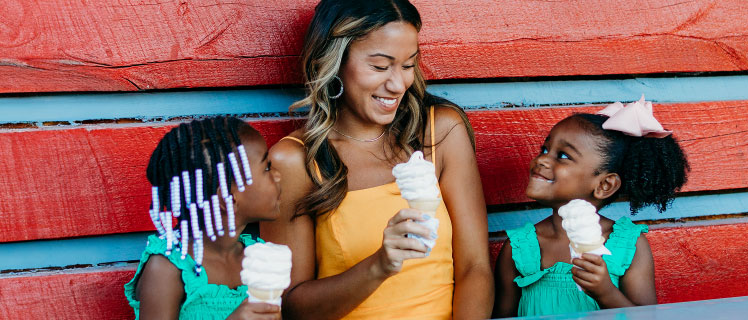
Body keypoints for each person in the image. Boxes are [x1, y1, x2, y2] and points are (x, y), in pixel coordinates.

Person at [260, 0, 493, 319]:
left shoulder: (440, 131)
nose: (398, 85)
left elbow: (475, 267)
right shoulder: (295, 160)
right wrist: (379, 264)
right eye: (380, 67)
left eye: (408, 65)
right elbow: (291, 307)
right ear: (334, 62)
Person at [493, 97, 690, 317]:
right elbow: (503, 315)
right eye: (545, 149)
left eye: (563, 155)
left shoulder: (628, 246)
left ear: (605, 185)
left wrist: (605, 292)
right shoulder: (520, 247)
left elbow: (646, 317)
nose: (542, 160)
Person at [124, 116, 283, 320]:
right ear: (228, 199)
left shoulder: (257, 257)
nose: (278, 176)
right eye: (267, 168)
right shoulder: (169, 268)